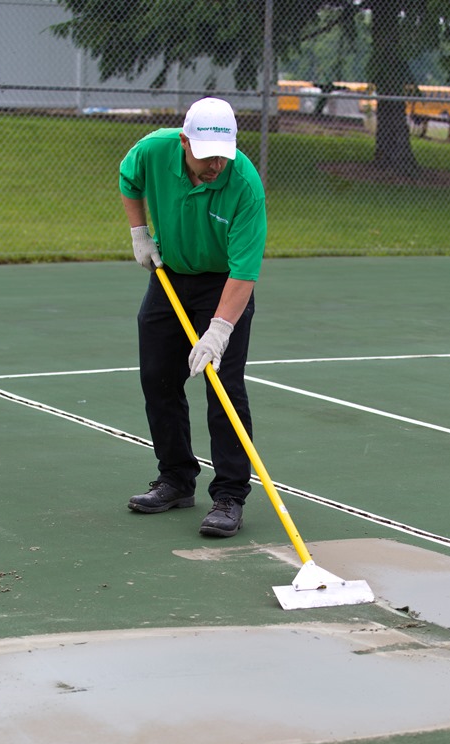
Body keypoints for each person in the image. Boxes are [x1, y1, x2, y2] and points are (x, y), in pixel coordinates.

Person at [119, 97, 267, 537]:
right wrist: (139, 233)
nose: (215, 165)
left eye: (222, 155)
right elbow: (130, 180)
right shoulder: (154, 150)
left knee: (223, 387)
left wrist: (218, 332)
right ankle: (177, 479)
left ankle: (229, 496)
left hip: (223, 285)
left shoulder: (244, 185)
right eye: (205, 156)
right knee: (158, 378)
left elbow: (244, 273)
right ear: (184, 142)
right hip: (171, 277)